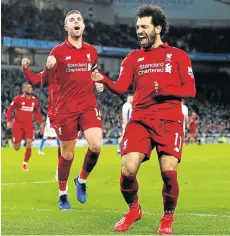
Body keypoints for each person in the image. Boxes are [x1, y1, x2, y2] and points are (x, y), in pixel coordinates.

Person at [91, 4, 196, 234]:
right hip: (140, 119)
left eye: (144, 26)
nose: (139, 30)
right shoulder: (133, 58)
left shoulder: (178, 56)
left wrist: (165, 89)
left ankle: (167, 217)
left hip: (169, 121)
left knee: (169, 173)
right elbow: (120, 86)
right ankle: (133, 209)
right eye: (137, 26)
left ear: (157, 28)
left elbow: (190, 90)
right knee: (128, 169)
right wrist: (103, 79)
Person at [41, 10, 104, 210]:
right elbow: (43, 81)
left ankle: (82, 180)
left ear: (83, 26)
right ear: (66, 27)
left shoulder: (91, 51)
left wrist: (99, 81)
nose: (76, 22)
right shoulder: (57, 52)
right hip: (65, 109)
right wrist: (48, 67)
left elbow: (93, 72)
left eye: (79, 19)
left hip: (87, 105)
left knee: (96, 145)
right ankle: (62, 193)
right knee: (67, 155)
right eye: (71, 20)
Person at [6, 82, 44, 171]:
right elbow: (10, 110)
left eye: (30, 87)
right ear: (23, 90)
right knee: (16, 148)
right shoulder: (18, 99)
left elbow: (37, 113)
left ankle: (24, 165)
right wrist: (8, 121)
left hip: (29, 125)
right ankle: (14, 141)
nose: (30, 89)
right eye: (27, 87)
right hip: (18, 125)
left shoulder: (34, 100)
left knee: (29, 144)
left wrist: (41, 123)